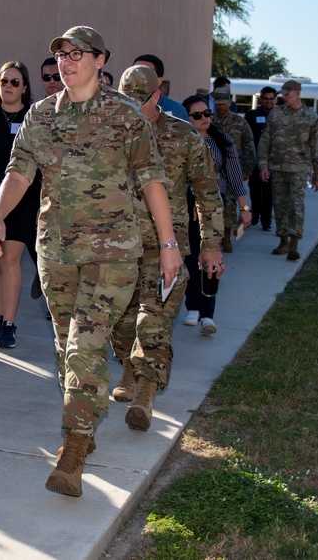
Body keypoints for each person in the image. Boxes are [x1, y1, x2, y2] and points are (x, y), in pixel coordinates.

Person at [0, 27, 182, 498]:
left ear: (100, 60)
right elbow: (19, 171)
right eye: (61, 55)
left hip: (113, 253)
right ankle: (86, 423)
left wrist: (170, 243)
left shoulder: (125, 115)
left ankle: (73, 448)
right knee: (64, 343)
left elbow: (153, 179)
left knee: (84, 343)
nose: (67, 62)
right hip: (57, 251)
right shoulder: (41, 114)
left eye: (77, 54)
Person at [110, 66, 224, 431]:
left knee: (153, 321)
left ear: (156, 97)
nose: (130, 109)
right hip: (118, 246)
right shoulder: (111, 134)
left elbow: (207, 192)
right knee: (120, 324)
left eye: (137, 102)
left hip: (166, 248)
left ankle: (145, 393)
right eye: (124, 101)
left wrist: (210, 243)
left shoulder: (184, 136)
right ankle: (130, 367)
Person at [0, 61, 38, 349]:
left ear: (25, 88)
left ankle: (10, 323)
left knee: (10, 257)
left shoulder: (34, 119)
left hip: (24, 199)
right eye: (4, 81)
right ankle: (0, 318)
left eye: (15, 82)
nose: (9, 87)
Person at [181, 95, 252, 334]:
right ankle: (193, 307)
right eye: (197, 116)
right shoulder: (180, 141)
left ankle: (208, 314)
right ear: (187, 118)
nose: (204, 119)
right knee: (190, 257)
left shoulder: (222, 141)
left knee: (212, 258)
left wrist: (244, 209)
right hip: (186, 205)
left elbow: (234, 177)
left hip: (214, 205)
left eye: (207, 114)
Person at [258, 79, 318, 261]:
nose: (284, 97)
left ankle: (294, 242)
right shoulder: (275, 114)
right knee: (280, 205)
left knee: (296, 205)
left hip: (299, 168)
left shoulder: (311, 117)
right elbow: (265, 141)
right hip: (277, 167)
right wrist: (263, 165)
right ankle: (283, 240)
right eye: (283, 94)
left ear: (297, 93)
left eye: (287, 94)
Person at [211, 86, 257, 252]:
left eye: (224, 103)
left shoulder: (240, 122)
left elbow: (249, 145)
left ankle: (227, 236)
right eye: (218, 103)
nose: (220, 106)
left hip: (232, 169)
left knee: (230, 205)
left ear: (229, 103)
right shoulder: (210, 121)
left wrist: (247, 169)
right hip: (213, 170)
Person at [246, 86, 276, 231]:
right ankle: (255, 214)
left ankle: (266, 220)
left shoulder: (278, 116)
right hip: (255, 160)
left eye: (271, 99)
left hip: (272, 161)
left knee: (269, 192)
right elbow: (246, 138)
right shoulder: (252, 115)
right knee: (255, 190)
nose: (268, 102)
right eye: (265, 99)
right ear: (261, 99)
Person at [133, 53, 188, 120]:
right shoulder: (121, 104)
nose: (139, 77)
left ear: (159, 81)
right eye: (135, 72)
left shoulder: (176, 110)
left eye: (146, 73)